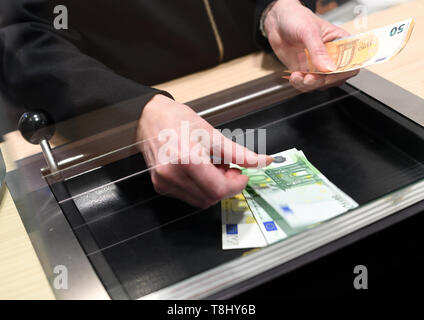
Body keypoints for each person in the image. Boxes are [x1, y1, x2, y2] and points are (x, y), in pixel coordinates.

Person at [0, 0, 358, 208]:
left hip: (270, 83)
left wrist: (272, 10)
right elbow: (19, 35)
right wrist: (132, 109)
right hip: (121, 136)